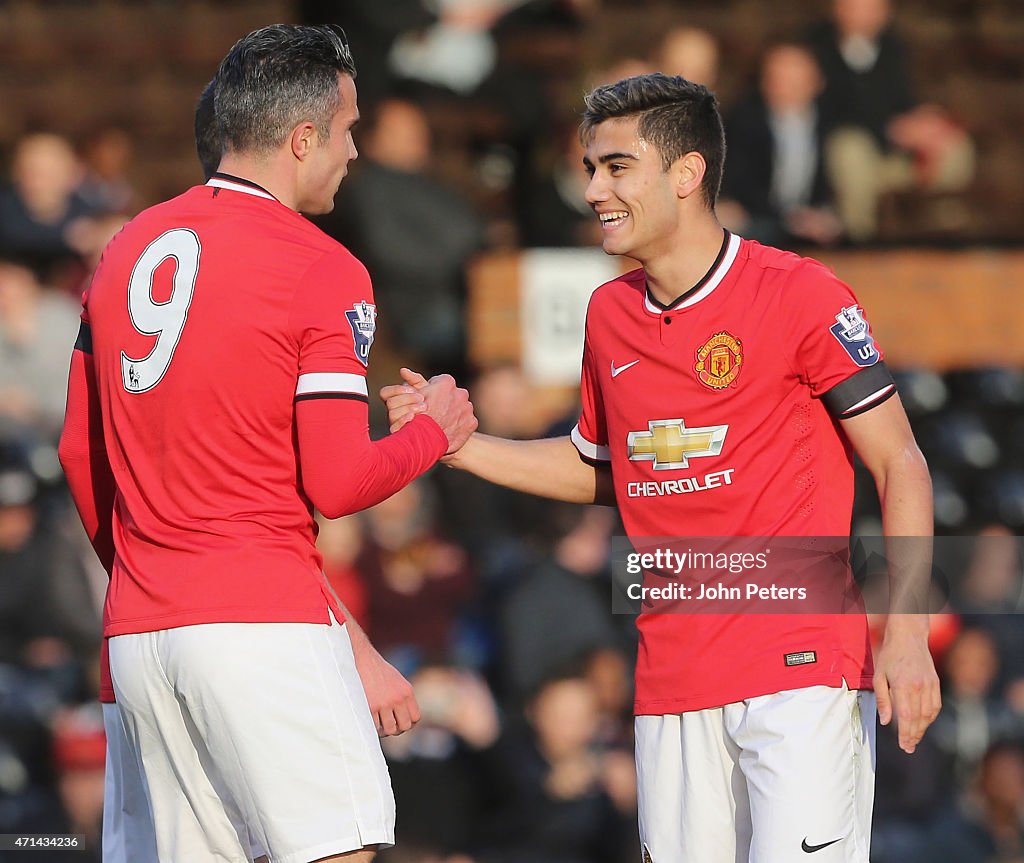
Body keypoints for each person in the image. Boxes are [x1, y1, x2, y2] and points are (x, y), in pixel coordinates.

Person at [385, 72, 940, 861]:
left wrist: (908, 636)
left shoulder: (801, 293)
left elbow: (903, 463)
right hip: (671, 681)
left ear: (686, 174)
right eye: (589, 169)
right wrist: (462, 446)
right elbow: (602, 468)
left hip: (802, 670)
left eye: (615, 167)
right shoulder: (609, 314)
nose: (593, 190)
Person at [58, 23, 476, 863]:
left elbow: (79, 452)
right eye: (350, 129)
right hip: (259, 627)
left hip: (141, 634)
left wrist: (157, 574)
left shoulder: (125, 246)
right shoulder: (321, 266)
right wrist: (435, 431)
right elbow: (337, 481)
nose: (355, 152)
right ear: (302, 138)